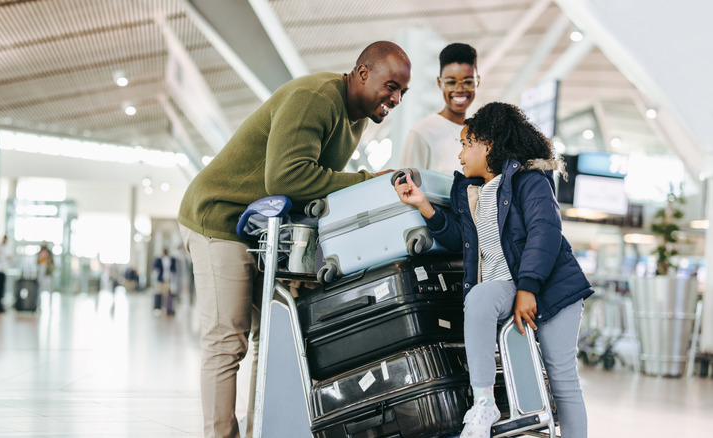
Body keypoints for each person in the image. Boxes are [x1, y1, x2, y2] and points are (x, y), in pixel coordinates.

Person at [178, 41, 412, 438]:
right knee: (227, 340)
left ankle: (261, 431)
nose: (396, 98)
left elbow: (310, 189)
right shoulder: (316, 98)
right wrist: (368, 181)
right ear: (361, 73)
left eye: (402, 92)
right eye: (390, 86)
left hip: (260, 229)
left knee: (270, 339)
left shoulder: (355, 118)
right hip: (220, 217)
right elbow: (287, 179)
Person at [393, 102, 592, 438]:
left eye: (466, 145)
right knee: (481, 297)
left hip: (553, 288)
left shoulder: (531, 181)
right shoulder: (470, 192)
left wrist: (528, 288)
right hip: (506, 285)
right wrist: (423, 205)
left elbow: (546, 231)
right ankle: (483, 402)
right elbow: (460, 239)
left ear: (488, 144)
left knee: (562, 377)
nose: (460, 156)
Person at [399, 42, 478, 175]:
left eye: (468, 82)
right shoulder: (422, 133)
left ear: (477, 82)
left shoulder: (480, 134)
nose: (459, 89)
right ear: (439, 83)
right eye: (451, 82)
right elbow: (406, 189)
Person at [152, 247, 177, 315]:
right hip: (160, 279)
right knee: (158, 292)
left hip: (168, 279)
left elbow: (174, 269)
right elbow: (155, 268)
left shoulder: (171, 259)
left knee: (168, 294)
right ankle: (157, 308)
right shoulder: (159, 259)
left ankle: (168, 309)